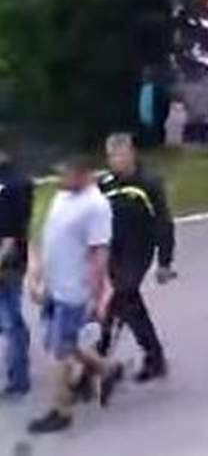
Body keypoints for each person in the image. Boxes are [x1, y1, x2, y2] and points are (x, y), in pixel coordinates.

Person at [25, 158, 124, 434]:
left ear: (82, 174)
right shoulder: (63, 196)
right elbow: (49, 235)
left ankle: (61, 411)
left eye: (65, 173)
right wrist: (38, 277)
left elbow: (99, 253)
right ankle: (106, 369)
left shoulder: (96, 206)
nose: (59, 179)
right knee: (64, 344)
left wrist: (96, 295)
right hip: (55, 285)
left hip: (74, 291)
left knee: (60, 352)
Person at [94, 134, 176, 383]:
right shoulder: (105, 184)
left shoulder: (148, 183)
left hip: (139, 248)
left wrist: (164, 261)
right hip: (113, 249)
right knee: (118, 302)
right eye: (111, 156)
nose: (115, 160)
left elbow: (164, 222)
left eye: (120, 155)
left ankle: (147, 356)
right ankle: (102, 357)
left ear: (131, 154)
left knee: (124, 293)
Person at [0, 150, 33, 397]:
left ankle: (19, 379)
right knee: (8, 320)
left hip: (8, 261)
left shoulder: (14, 183)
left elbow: (12, 234)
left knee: (10, 320)